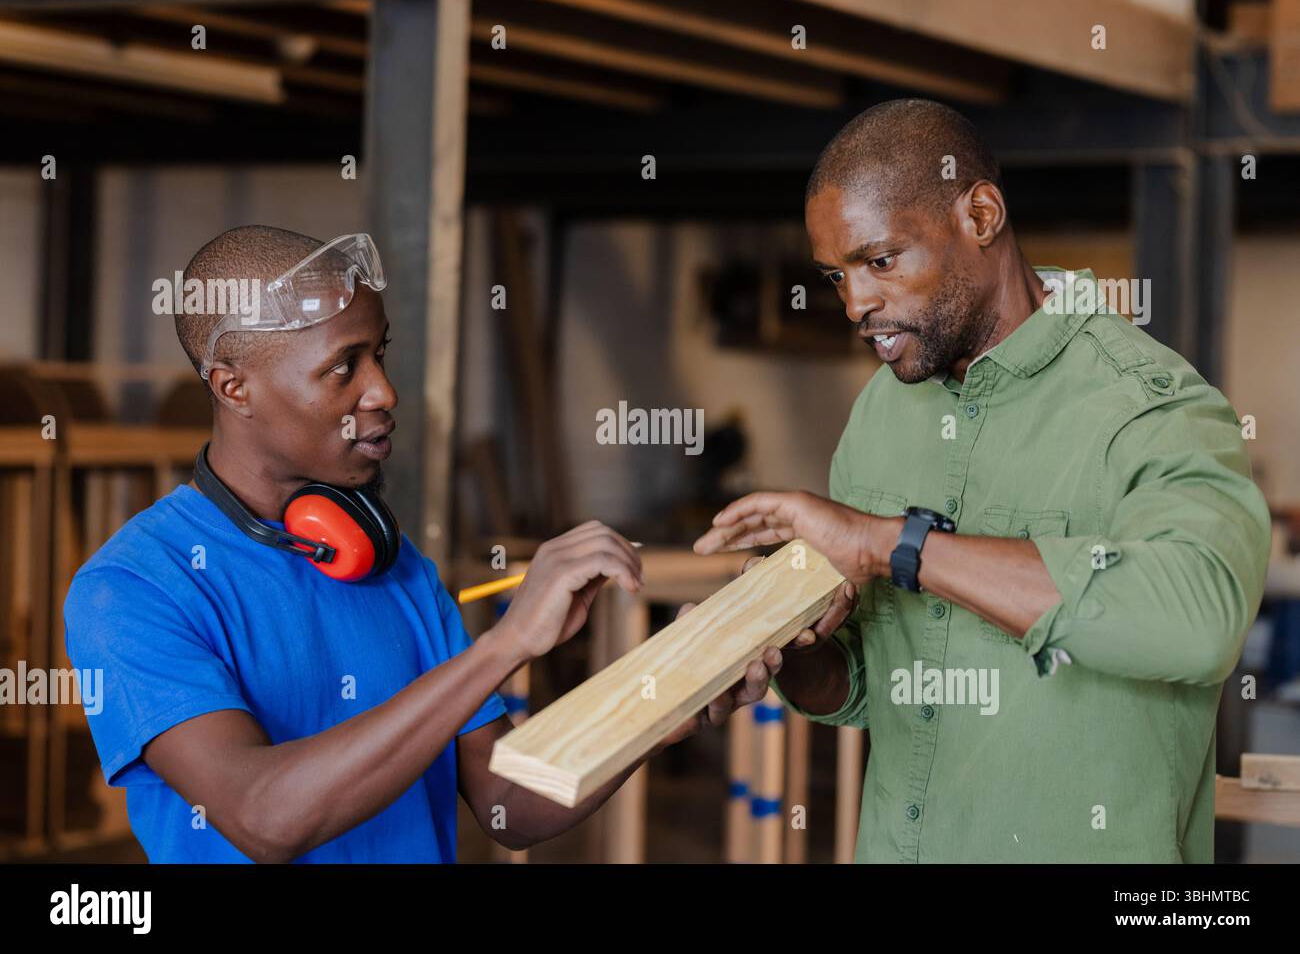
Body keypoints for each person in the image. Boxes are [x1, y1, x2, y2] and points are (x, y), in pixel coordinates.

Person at [63, 225, 857, 863]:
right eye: (344, 367)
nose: (384, 391)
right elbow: (266, 817)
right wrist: (505, 643)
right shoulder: (134, 588)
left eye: (380, 352)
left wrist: (664, 695)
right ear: (234, 387)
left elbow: (508, 803)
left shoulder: (393, 567)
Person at [694, 99, 1272, 863]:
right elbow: (868, 684)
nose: (856, 304)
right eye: (836, 276)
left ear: (982, 215)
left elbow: (1199, 622)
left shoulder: (1152, 407)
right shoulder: (879, 417)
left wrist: (889, 544)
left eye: (880, 260)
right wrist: (784, 648)